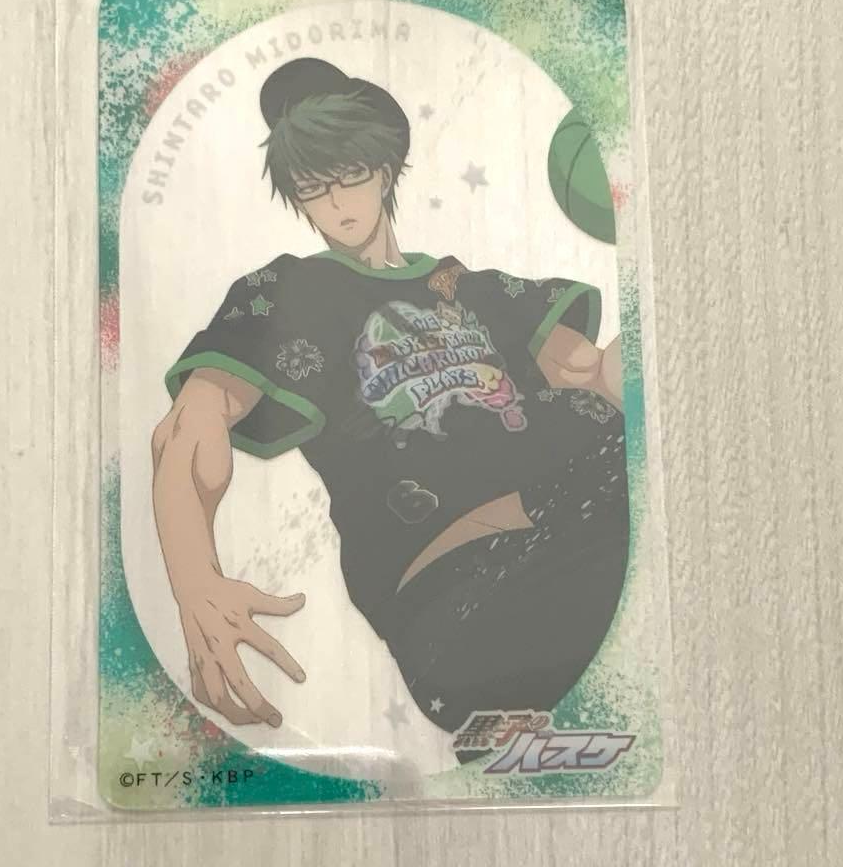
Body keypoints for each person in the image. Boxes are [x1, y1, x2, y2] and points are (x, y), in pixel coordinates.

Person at [151, 58, 629, 738]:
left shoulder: (473, 287)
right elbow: (189, 426)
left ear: (385, 171)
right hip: (459, 588)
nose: (337, 203)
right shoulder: (290, 295)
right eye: (315, 189)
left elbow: (596, 374)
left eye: (351, 177)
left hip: (589, 532)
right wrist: (195, 584)